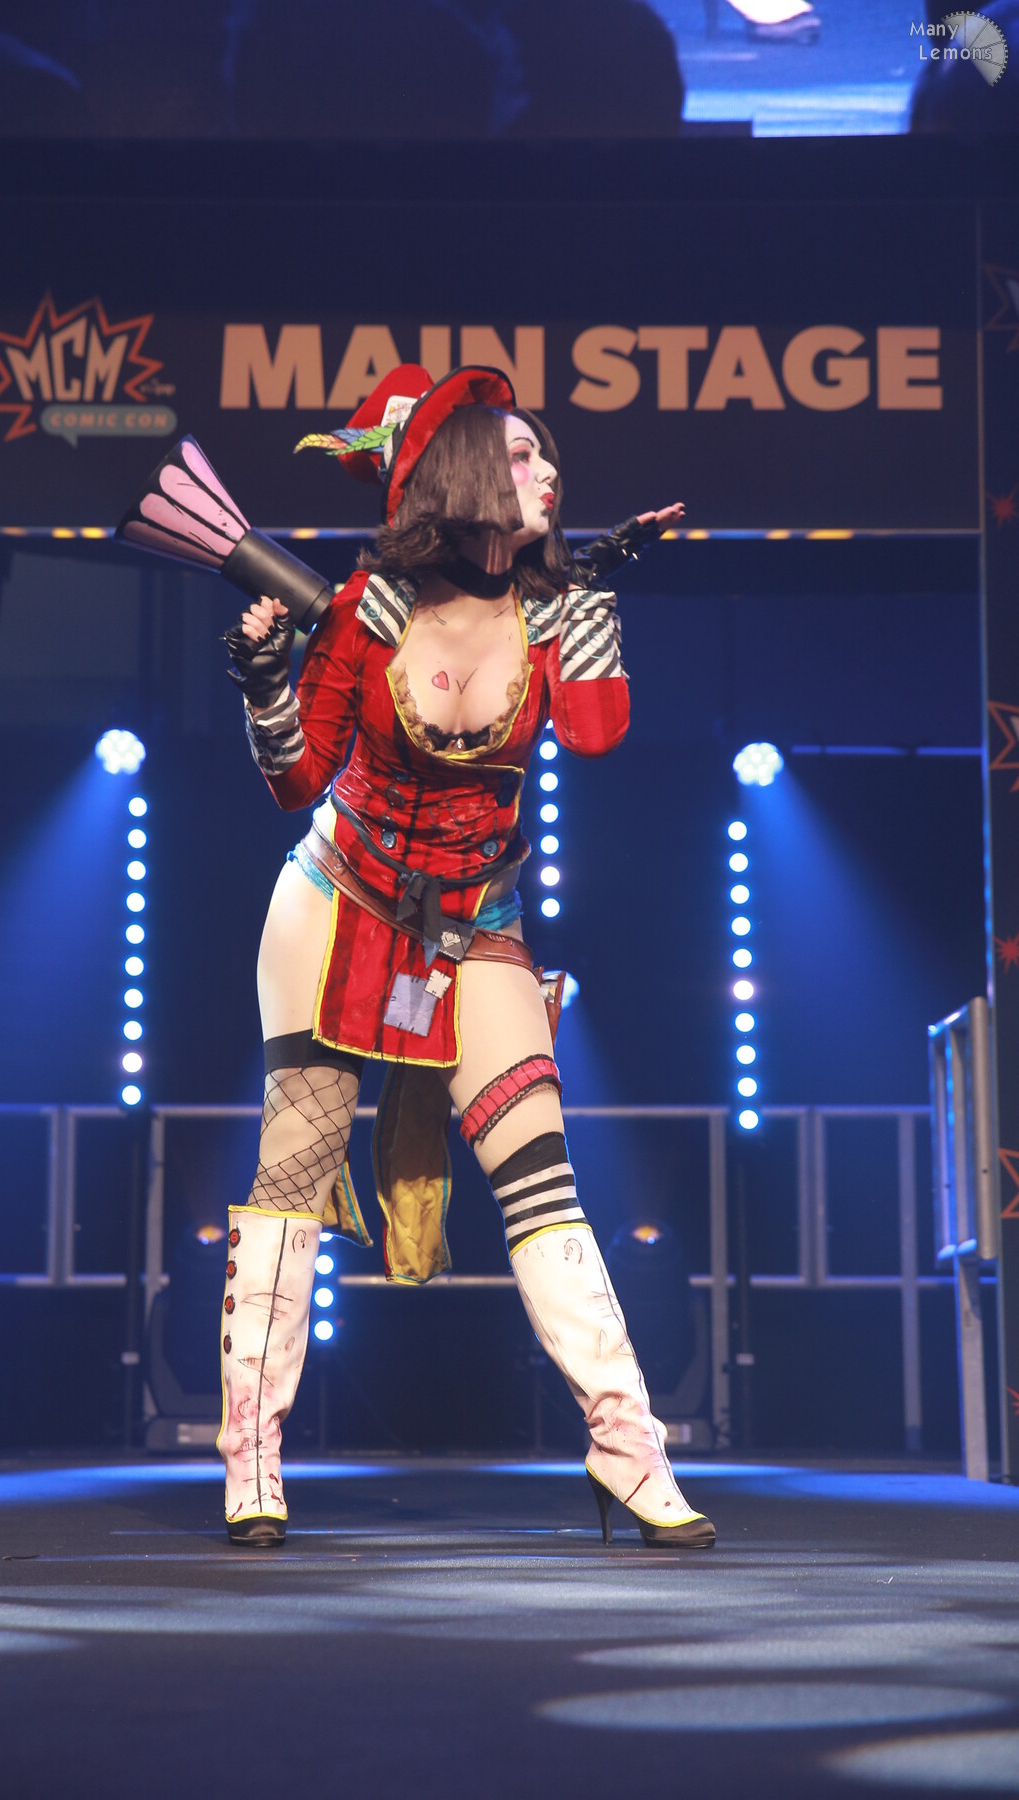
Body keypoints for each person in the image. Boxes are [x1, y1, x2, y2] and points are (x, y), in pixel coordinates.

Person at [218, 363, 716, 1552]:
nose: (548, 471)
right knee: (293, 1176)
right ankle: (252, 1459)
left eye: (548, 456)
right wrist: (266, 683)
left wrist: (586, 617)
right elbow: (296, 779)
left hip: (473, 920)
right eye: (523, 453)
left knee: (542, 1177)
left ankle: (630, 1448)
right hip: (334, 903)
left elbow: (598, 735)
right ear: (463, 473)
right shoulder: (365, 610)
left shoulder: (554, 613)